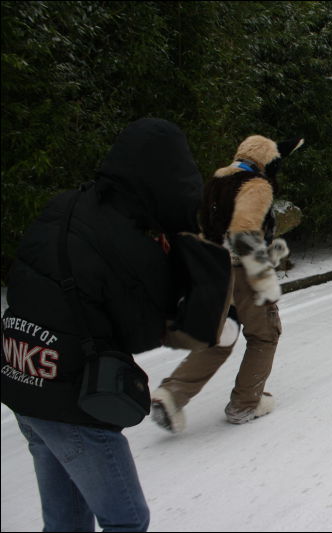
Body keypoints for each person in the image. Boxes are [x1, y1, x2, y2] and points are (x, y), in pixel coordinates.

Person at [1, 117, 231, 531]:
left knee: (65, 520)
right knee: (126, 519)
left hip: (21, 374)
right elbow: (145, 332)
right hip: (70, 399)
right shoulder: (127, 241)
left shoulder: (66, 204)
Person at [151, 134, 304, 432]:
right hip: (242, 273)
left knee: (221, 338)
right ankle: (245, 404)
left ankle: (171, 394)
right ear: (265, 164)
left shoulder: (217, 182)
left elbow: (213, 231)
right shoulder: (257, 185)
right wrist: (264, 280)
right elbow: (243, 234)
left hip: (213, 271)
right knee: (264, 335)